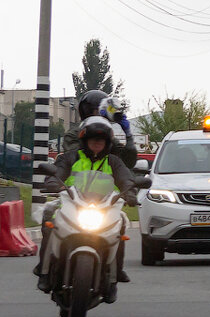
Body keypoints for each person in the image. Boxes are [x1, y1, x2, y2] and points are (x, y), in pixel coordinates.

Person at [34, 116, 139, 295]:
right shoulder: (70, 157)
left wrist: (130, 192)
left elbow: (125, 178)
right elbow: (58, 172)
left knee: (121, 220)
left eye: (102, 140)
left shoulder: (113, 161)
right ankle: (44, 271)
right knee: (50, 213)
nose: (97, 143)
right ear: (85, 140)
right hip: (73, 202)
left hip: (105, 206)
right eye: (93, 139)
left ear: (107, 143)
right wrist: (53, 181)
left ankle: (114, 274)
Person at [61, 89, 138, 168]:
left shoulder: (109, 138)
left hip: (108, 180)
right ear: (91, 111)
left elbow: (128, 163)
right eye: (103, 110)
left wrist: (128, 135)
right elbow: (75, 160)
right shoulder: (73, 135)